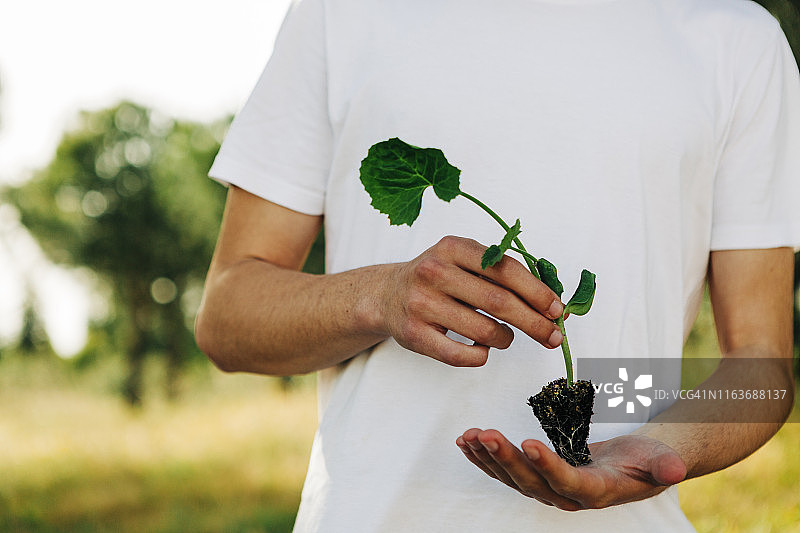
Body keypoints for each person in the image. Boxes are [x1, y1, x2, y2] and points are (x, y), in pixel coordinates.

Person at [195, 0, 800, 530]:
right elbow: (226, 317)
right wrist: (380, 296)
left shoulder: (737, 38)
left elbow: (760, 366)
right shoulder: (341, 11)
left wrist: (667, 447)